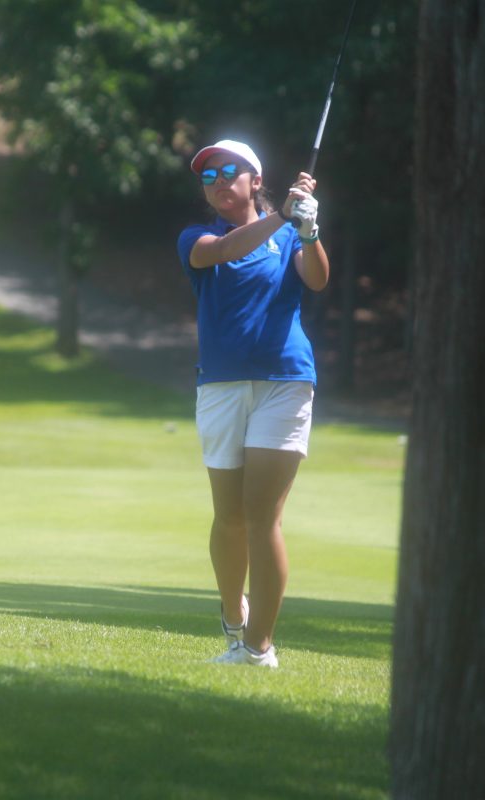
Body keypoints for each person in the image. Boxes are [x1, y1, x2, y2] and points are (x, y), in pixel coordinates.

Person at [175, 139, 329, 668]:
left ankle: (258, 647)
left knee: (264, 516)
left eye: (229, 170)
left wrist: (307, 231)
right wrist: (283, 218)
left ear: (255, 179)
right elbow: (222, 253)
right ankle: (232, 613)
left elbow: (317, 278)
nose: (217, 180)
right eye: (208, 175)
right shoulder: (197, 237)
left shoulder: (287, 232)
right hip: (220, 385)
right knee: (231, 515)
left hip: (286, 379)